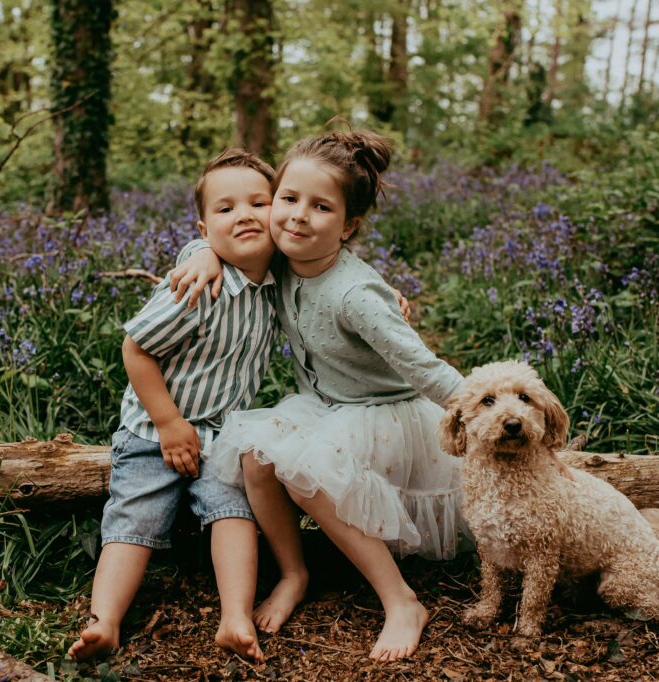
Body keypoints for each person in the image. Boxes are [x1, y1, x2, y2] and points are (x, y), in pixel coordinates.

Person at [169, 130, 471, 662]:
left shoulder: (357, 295)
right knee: (255, 457)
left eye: (321, 206)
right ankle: (293, 572)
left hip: (385, 414)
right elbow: (220, 234)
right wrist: (199, 253)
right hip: (327, 405)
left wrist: (489, 410)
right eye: (287, 199)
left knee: (305, 473)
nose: (297, 217)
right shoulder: (283, 256)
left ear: (348, 225)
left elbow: (425, 369)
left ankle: (401, 601)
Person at [67, 148, 279, 663]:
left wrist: (387, 292)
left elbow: (328, 259)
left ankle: (235, 618)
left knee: (233, 511)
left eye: (259, 202)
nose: (245, 214)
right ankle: (106, 621)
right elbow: (136, 350)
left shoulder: (277, 279)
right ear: (205, 230)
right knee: (135, 517)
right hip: (152, 429)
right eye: (226, 209)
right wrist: (167, 422)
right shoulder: (197, 285)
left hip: (222, 431)